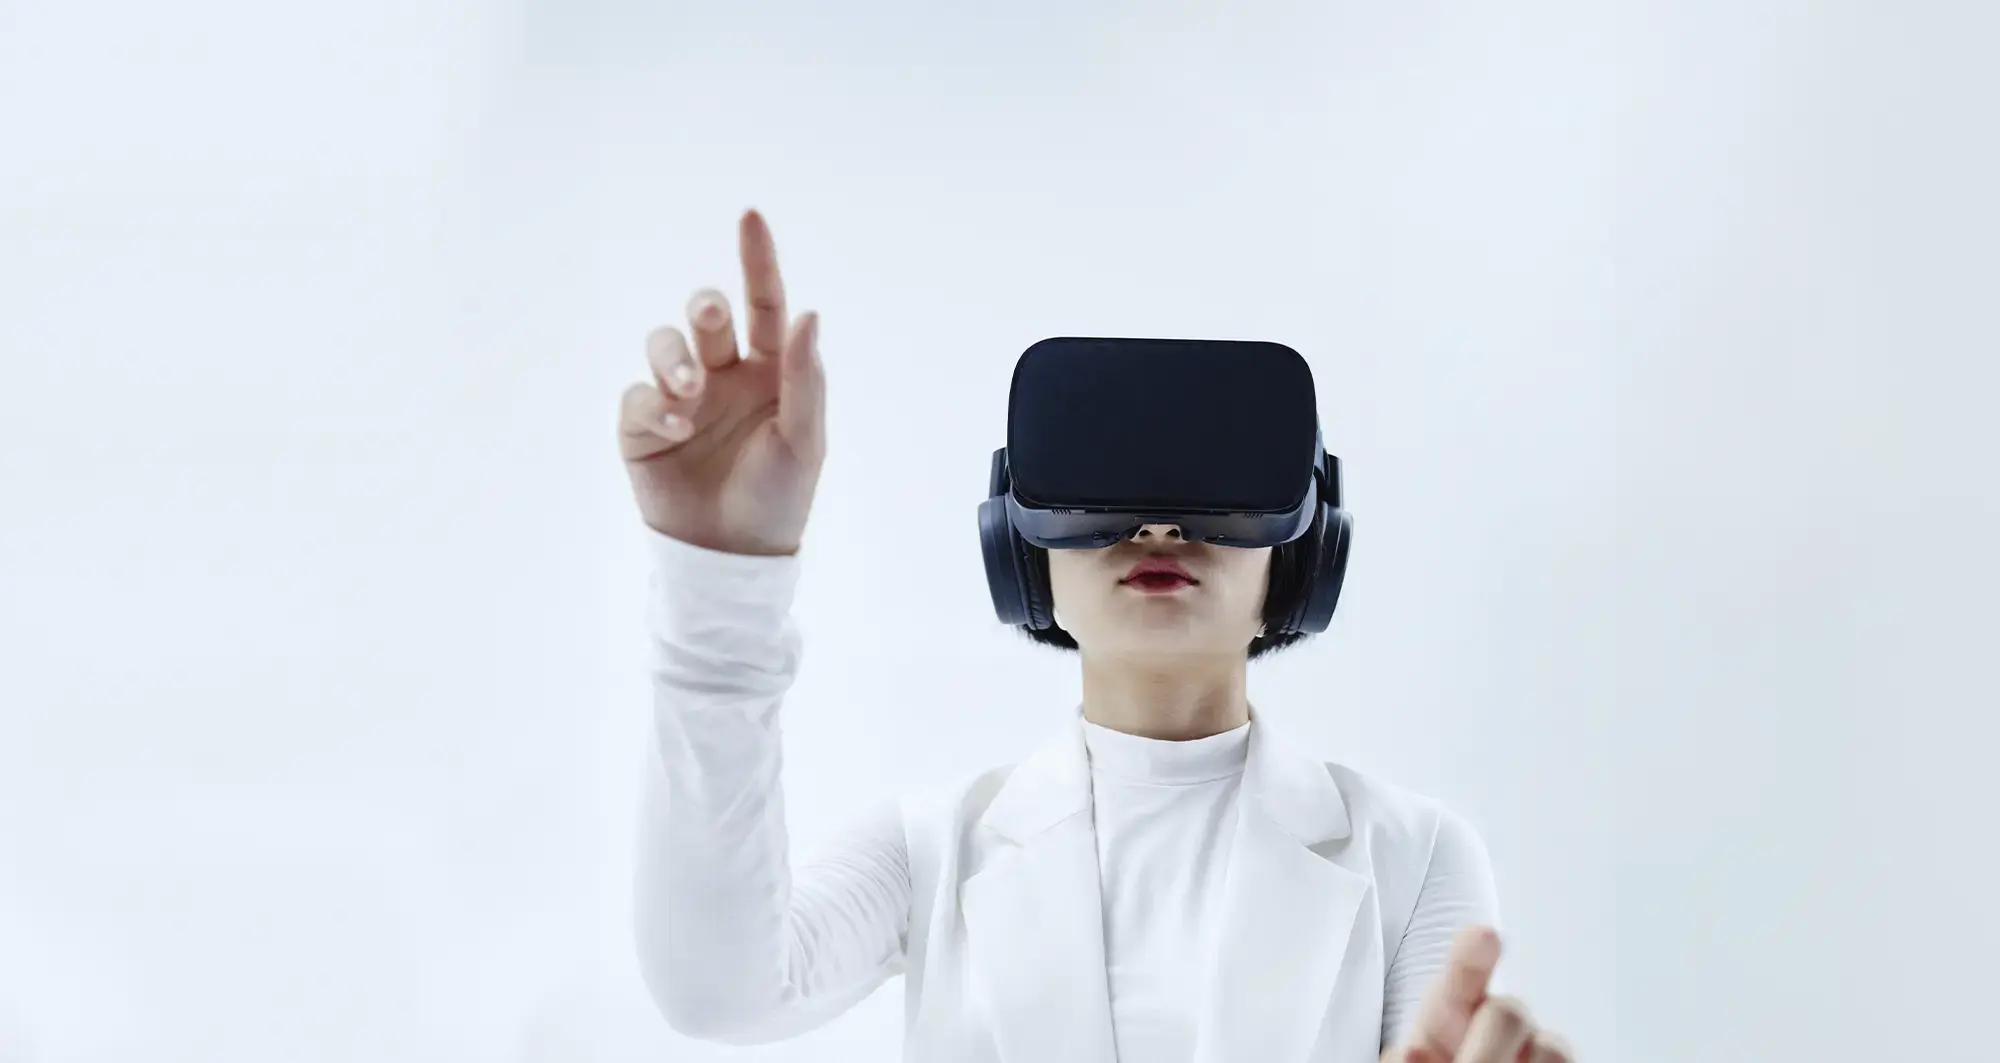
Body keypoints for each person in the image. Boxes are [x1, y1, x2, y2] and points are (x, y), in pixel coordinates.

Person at [618, 209, 1577, 1063]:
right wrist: (722, 581)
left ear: (1306, 549)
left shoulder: (1410, 856)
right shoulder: (932, 850)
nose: (1159, 529)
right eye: (1105, 492)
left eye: (1215, 491)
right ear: (1018, 544)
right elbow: (719, 989)